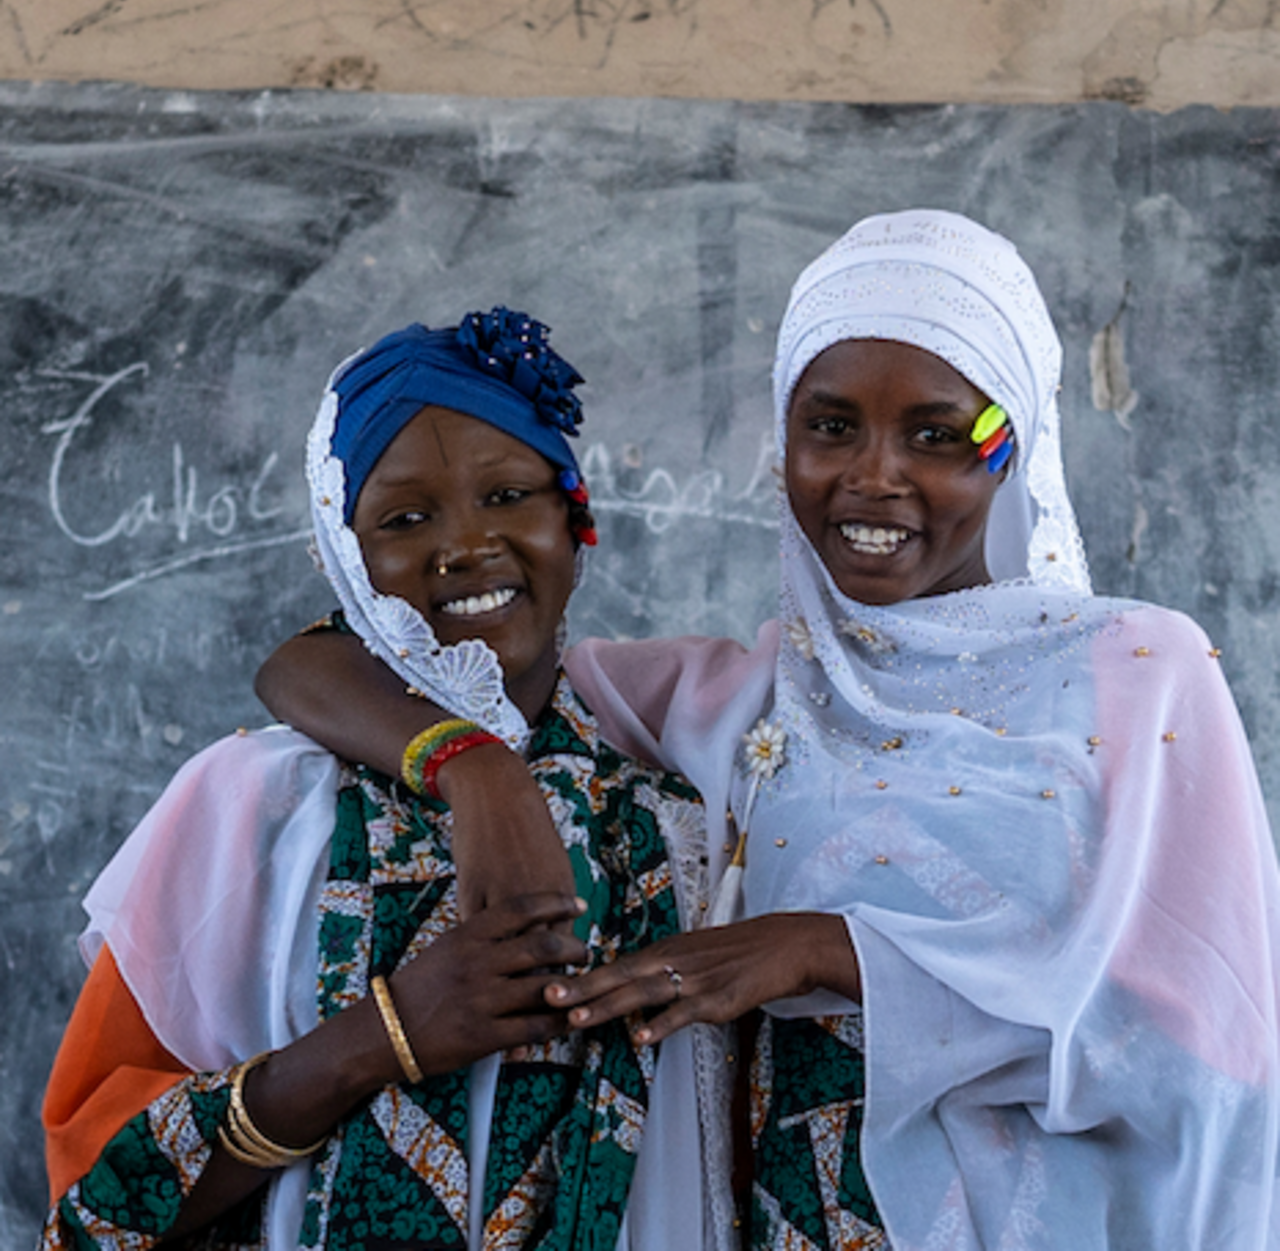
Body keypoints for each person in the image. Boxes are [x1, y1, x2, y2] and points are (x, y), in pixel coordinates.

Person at [256, 211, 1280, 1249]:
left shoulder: (1136, 672)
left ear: (1013, 445)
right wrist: (475, 772)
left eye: (938, 432)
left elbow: (1208, 1042)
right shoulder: (741, 698)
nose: (872, 475)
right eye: (827, 425)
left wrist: (823, 950)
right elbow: (320, 657)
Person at [38, 308, 739, 1251]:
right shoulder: (256, 805)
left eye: (509, 496)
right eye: (406, 519)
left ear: (576, 522)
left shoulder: (672, 819)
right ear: (346, 557)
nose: (466, 545)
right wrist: (386, 1036)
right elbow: (92, 1187)